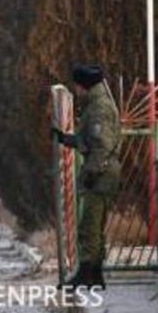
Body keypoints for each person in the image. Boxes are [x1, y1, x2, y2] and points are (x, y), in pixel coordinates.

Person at [53, 64, 121, 289]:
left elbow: (102, 146)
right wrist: (65, 138)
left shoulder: (99, 108)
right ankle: (94, 274)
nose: (76, 90)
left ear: (84, 86)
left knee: (89, 226)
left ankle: (86, 273)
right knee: (94, 225)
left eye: (77, 86)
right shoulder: (96, 105)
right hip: (101, 171)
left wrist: (91, 173)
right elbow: (89, 140)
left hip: (101, 173)